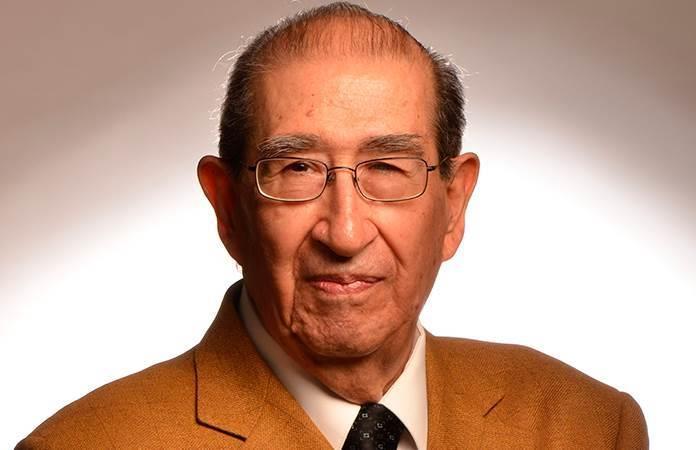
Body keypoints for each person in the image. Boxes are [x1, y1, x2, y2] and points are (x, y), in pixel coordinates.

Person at [17, 2, 648, 449]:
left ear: (454, 205)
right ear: (228, 208)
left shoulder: (586, 427)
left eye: (388, 168)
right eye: (297, 169)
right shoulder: (84, 444)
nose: (344, 233)